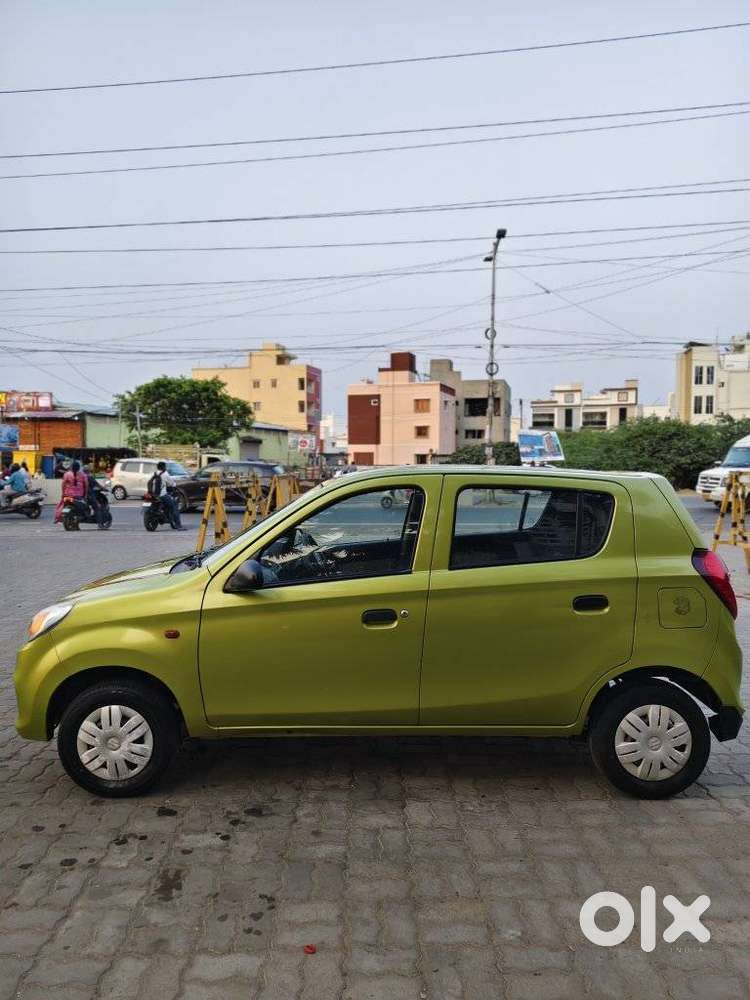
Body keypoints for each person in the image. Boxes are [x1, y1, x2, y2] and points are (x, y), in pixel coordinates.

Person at [148, 461, 186, 530]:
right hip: (162, 495)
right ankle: (178, 525)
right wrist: (175, 485)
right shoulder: (165, 474)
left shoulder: (155, 473)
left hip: (153, 495)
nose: (166, 468)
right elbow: (172, 484)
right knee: (174, 505)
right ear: (163, 467)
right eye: (165, 466)